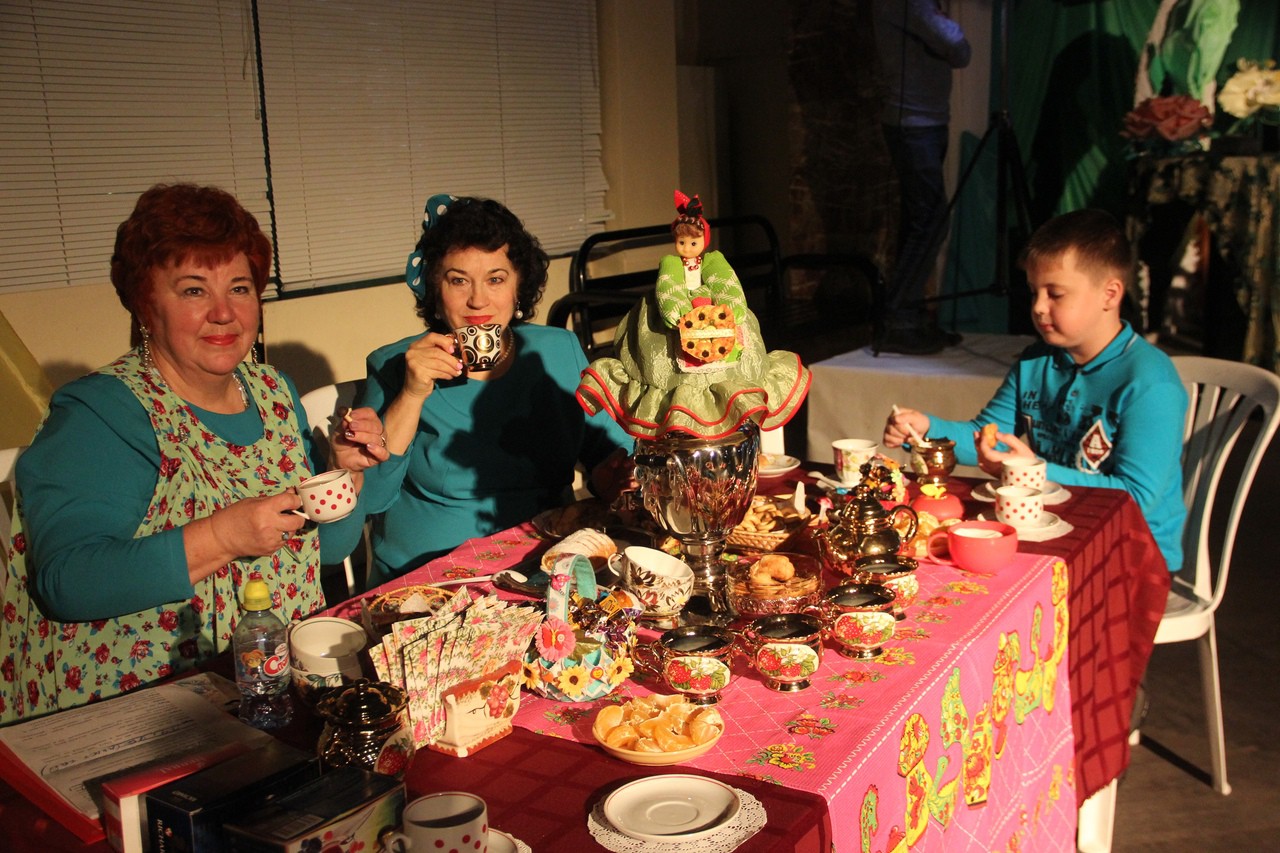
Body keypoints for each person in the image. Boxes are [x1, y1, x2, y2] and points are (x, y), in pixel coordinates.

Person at [0, 184, 388, 723]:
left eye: (240, 288)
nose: (224, 313)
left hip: (273, 687)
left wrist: (341, 473)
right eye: (193, 291)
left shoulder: (271, 391)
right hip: (147, 710)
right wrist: (222, 537)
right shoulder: (102, 412)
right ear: (144, 303)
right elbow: (66, 581)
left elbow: (321, 553)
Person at [352, 195, 634, 586]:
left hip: (547, 568)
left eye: (495, 279)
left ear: (519, 286)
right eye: (458, 280)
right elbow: (369, 499)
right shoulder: (394, 365)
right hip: (433, 581)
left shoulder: (558, 350)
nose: (478, 300)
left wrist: (612, 476)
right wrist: (412, 395)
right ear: (435, 289)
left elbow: (610, 454)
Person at [884, 209, 1188, 572]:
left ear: (1109, 294)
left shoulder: (1150, 382)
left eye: (1055, 294)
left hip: (1131, 555)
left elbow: (1135, 497)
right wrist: (925, 432)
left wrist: (1030, 472)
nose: (1039, 307)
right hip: (1050, 528)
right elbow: (988, 438)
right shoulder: (1037, 361)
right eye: (1034, 292)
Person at [576, 191, 811, 440]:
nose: (687, 248)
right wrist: (677, 312)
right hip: (678, 316)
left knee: (735, 357)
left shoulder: (712, 262)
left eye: (693, 242)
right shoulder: (671, 265)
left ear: (703, 241)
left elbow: (725, 283)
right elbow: (668, 287)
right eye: (682, 242)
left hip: (717, 315)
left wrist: (730, 309)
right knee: (663, 359)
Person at [873, 0, 971, 354]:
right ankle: (899, 320)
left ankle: (909, 318)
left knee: (919, 222)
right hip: (913, 125)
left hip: (926, 122)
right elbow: (958, 48)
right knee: (931, 222)